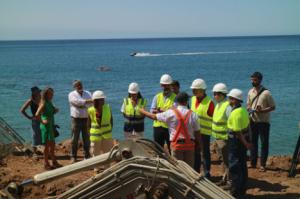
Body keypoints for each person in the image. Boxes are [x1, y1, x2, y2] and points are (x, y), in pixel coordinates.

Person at [140, 92, 201, 167]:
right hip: (190, 146)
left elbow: (154, 116)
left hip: (177, 146)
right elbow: (197, 132)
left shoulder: (170, 113)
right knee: (189, 170)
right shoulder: (193, 114)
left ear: (177, 102)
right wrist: (198, 145)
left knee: (178, 169)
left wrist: (143, 111)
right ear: (186, 101)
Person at [247, 72, 275, 171]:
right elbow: (248, 105)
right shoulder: (250, 92)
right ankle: (253, 162)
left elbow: (273, 107)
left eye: (254, 80)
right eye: (252, 80)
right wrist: (249, 109)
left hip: (263, 121)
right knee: (253, 142)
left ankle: (263, 164)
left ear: (259, 80)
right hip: (253, 120)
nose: (252, 82)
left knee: (264, 143)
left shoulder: (266, 93)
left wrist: (262, 111)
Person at [227, 88, 253, 198]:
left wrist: (245, 143)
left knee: (234, 166)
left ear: (235, 100)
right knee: (242, 165)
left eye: (230, 98)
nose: (229, 100)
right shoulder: (243, 111)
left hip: (236, 142)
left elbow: (237, 131)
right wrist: (248, 142)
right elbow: (248, 127)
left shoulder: (235, 113)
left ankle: (236, 192)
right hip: (242, 142)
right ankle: (242, 190)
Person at [190, 78, 214, 178]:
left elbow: (213, 118)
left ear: (202, 90)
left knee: (205, 153)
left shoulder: (209, 103)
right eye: (193, 90)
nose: (193, 92)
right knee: (195, 153)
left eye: (195, 90)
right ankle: (195, 172)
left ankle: (207, 173)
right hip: (193, 132)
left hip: (204, 133)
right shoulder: (192, 99)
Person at [35, 87, 61, 170]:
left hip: (51, 125)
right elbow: (37, 114)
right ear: (46, 94)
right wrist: (42, 121)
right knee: (46, 146)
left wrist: (55, 110)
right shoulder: (43, 103)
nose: (52, 95)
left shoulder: (50, 102)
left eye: (52, 93)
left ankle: (53, 161)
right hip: (46, 127)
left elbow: (50, 112)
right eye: (50, 94)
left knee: (52, 145)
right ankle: (46, 163)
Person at [87, 90, 113, 171]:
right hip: (95, 136)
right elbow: (88, 124)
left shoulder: (108, 107)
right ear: (96, 101)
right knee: (96, 154)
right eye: (100, 99)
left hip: (107, 135)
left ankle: (107, 169)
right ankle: (96, 169)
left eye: (103, 99)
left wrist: (109, 129)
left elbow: (111, 120)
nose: (102, 101)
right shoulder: (90, 110)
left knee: (107, 153)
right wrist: (90, 134)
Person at [211, 83, 231, 186]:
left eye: (216, 94)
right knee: (223, 160)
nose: (215, 96)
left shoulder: (227, 106)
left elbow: (231, 122)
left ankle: (229, 181)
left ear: (223, 94)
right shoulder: (218, 105)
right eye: (214, 94)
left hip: (224, 138)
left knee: (227, 160)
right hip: (218, 138)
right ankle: (224, 178)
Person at [68, 80, 93, 163]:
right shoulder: (71, 94)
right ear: (74, 87)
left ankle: (87, 155)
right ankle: (73, 156)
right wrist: (86, 102)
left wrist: (82, 105)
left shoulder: (88, 93)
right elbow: (76, 102)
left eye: (80, 85)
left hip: (87, 118)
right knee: (74, 138)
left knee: (87, 138)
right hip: (76, 119)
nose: (79, 86)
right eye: (77, 85)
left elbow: (91, 104)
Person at [150, 74, 176, 152]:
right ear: (161, 85)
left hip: (169, 128)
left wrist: (161, 111)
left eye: (167, 85)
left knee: (171, 149)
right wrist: (164, 111)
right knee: (158, 150)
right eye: (163, 85)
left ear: (170, 85)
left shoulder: (175, 98)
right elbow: (152, 111)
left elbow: (175, 113)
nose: (165, 87)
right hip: (157, 126)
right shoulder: (157, 97)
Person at [20, 86, 42, 159]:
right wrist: (29, 117)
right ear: (34, 93)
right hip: (35, 120)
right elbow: (22, 110)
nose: (39, 93)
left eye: (39, 91)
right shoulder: (30, 101)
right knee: (35, 136)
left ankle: (42, 150)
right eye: (38, 92)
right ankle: (34, 153)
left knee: (43, 135)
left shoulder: (42, 100)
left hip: (43, 119)